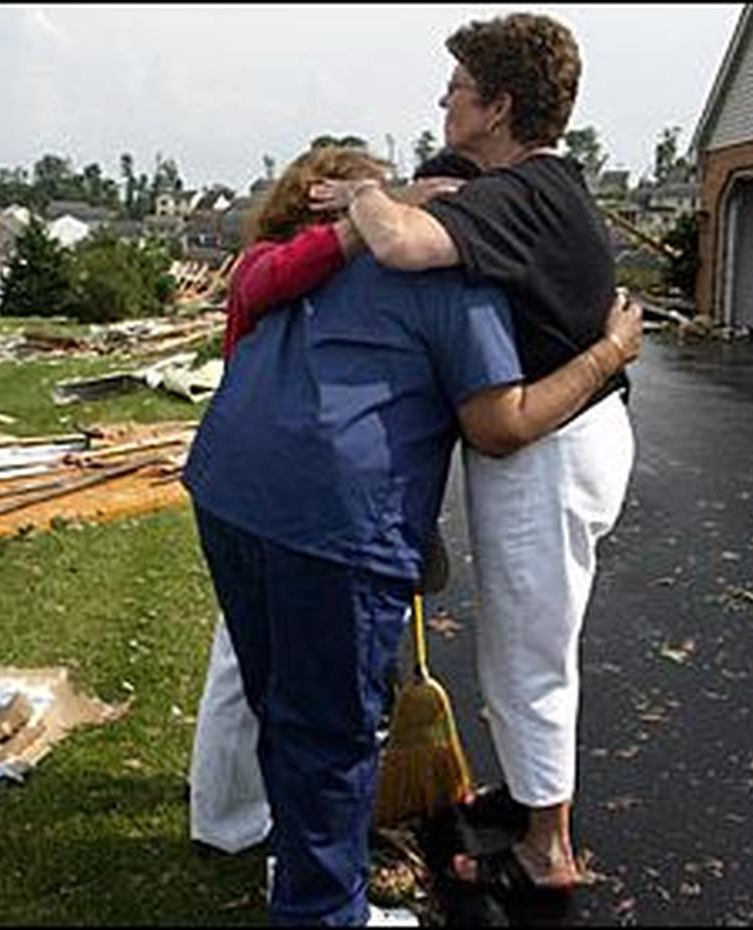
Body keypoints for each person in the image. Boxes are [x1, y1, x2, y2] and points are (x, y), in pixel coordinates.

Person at [182, 143, 640, 925]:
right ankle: (326, 913)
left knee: (280, 704)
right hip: (329, 520)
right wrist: (609, 352)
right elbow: (502, 425)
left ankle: (296, 867)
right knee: (330, 733)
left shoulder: (304, 261)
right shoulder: (451, 287)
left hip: (227, 488)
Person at [306, 12, 633, 899]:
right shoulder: (505, 178)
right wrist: (396, 186)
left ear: (499, 105)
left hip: (552, 446)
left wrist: (362, 202)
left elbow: (406, 243)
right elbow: (431, 187)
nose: (442, 99)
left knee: (530, 647)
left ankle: (546, 850)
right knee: (520, 641)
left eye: (456, 88)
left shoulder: (528, 196)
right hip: (562, 437)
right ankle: (533, 797)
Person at [187, 148, 484, 859]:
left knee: (279, 689)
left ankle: (272, 821)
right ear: (320, 200)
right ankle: (231, 821)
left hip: (258, 488)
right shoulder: (271, 261)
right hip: (274, 492)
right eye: (361, 190)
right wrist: (378, 208)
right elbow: (275, 277)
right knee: (256, 680)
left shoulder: (351, 272)